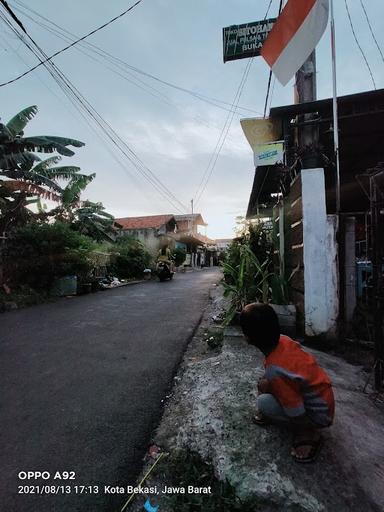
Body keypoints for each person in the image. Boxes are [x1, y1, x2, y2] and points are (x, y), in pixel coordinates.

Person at [239, 303, 335, 463]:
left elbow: (296, 410)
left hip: (320, 415)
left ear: (248, 338)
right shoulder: (284, 340)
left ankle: (309, 435)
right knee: (264, 384)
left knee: (263, 402)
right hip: (324, 399)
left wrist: (302, 427)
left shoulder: (275, 370)